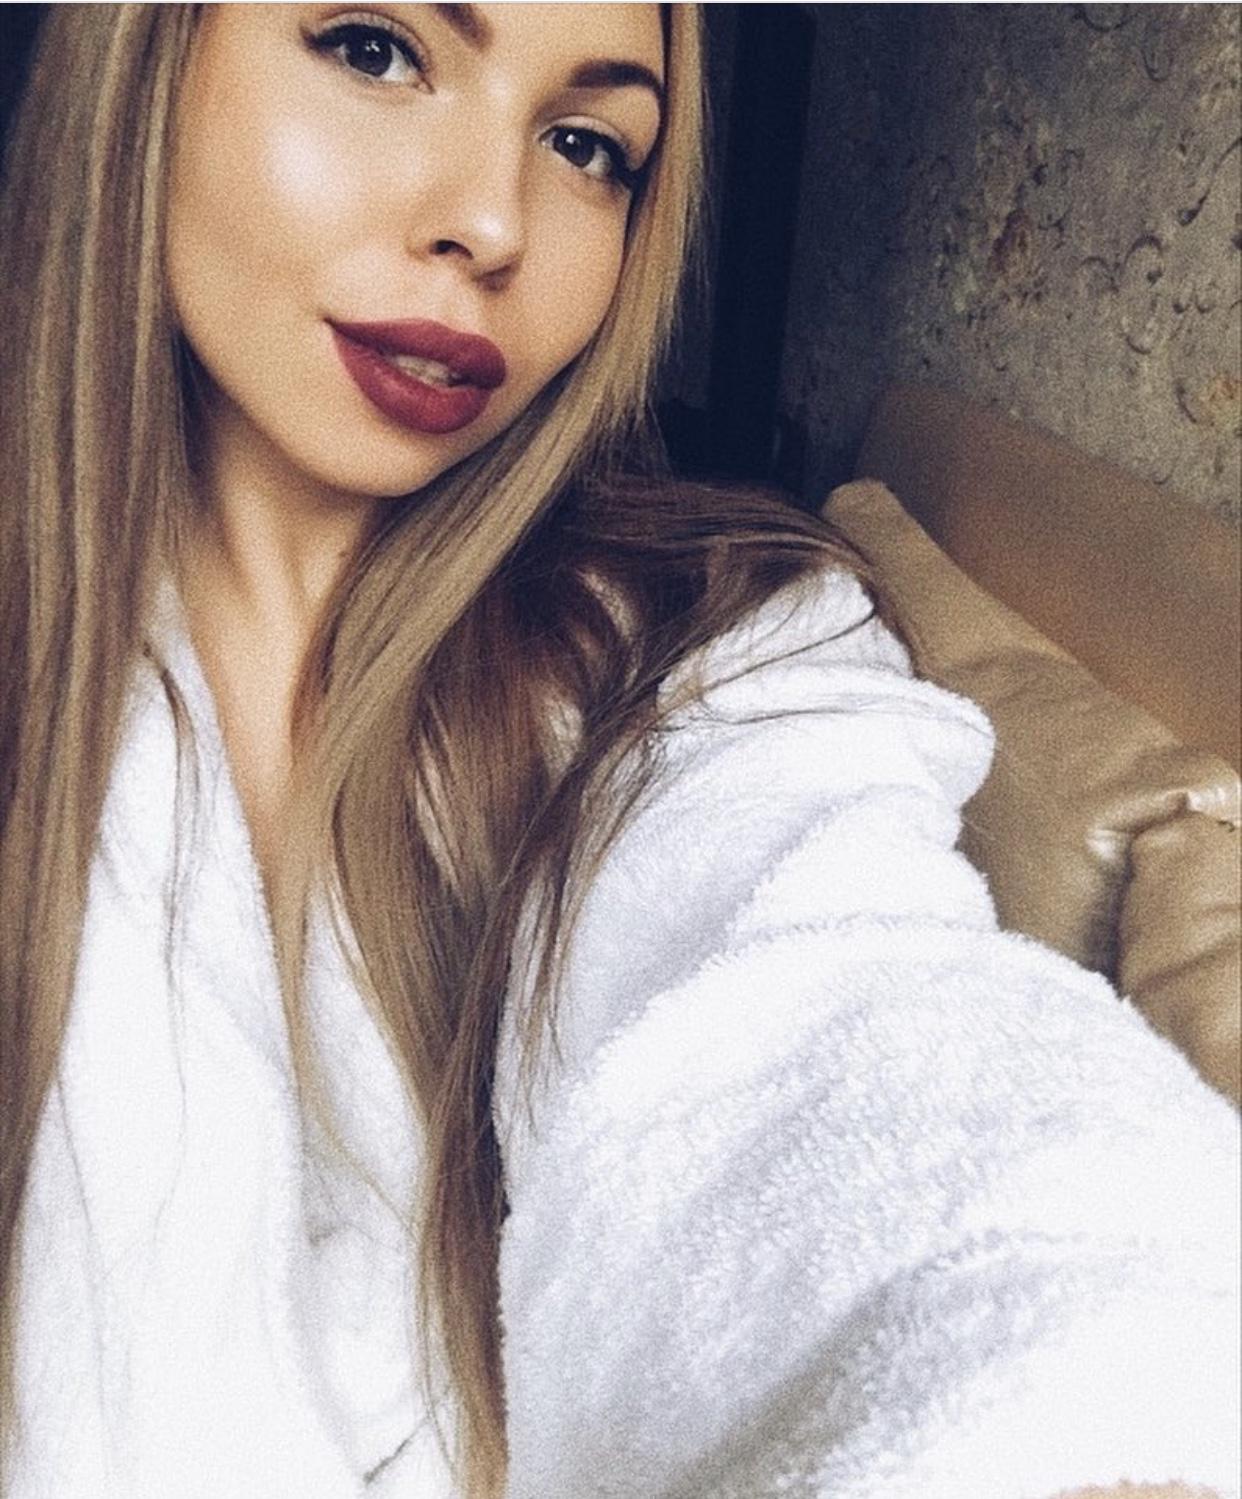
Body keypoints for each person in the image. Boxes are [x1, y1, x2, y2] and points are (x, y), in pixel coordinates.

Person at [0, 5, 1236, 1498]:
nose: (492, 223)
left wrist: (1083, 1414)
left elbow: (833, 1002)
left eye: (588, 146)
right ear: (144, 56)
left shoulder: (710, 643)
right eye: (379, 51)